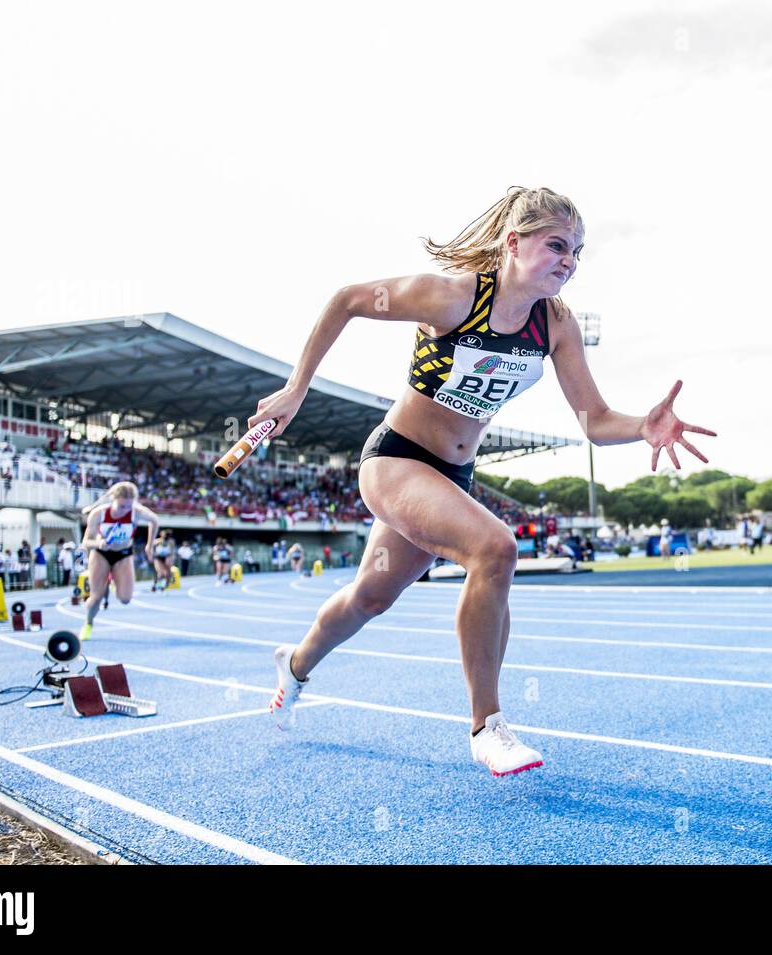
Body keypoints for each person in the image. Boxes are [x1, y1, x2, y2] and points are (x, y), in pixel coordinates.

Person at [247, 186, 715, 776]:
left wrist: (643, 428)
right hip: (396, 461)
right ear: (513, 244)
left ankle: (294, 665)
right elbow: (347, 300)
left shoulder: (556, 325)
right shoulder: (451, 297)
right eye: (556, 245)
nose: (569, 260)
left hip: (453, 476)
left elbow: (594, 422)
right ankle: (487, 727)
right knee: (495, 549)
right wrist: (296, 389)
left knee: (371, 596)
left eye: (577, 251)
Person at [76, 480, 160, 641]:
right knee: (96, 597)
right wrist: (99, 543)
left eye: (128, 506)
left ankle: (115, 581)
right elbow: (86, 542)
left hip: (123, 554)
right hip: (101, 553)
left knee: (125, 599)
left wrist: (149, 546)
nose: (125, 510)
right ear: (113, 500)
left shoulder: (136, 511)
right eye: (121, 507)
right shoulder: (99, 513)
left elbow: (155, 520)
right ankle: (88, 623)